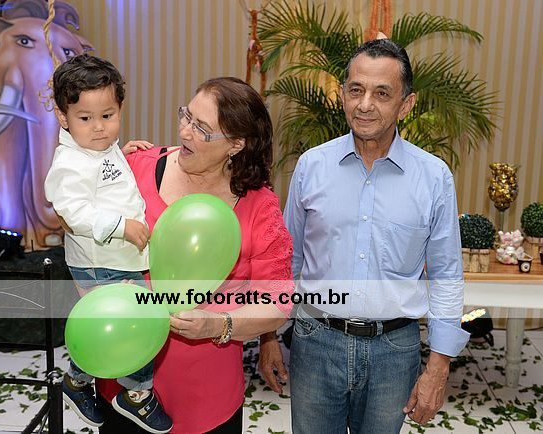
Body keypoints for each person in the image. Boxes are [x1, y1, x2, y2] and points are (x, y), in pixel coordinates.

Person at [259, 38, 470, 433]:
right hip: (316, 340)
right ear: (343, 94)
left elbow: (445, 276)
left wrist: (438, 366)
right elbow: (286, 262)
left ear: (406, 104)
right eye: (356, 90)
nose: (365, 104)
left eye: (382, 93)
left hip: (394, 350)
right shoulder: (312, 167)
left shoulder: (433, 177)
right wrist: (268, 335)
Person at [95, 76, 294, 433]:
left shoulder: (259, 206)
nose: (184, 131)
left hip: (205, 391)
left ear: (236, 144)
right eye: (186, 116)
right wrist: (101, 169)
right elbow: (76, 218)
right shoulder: (138, 167)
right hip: (123, 374)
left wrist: (219, 325)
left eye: (202, 128)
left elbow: (276, 302)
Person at [44, 54, 172, 433]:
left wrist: (123, 153)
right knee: (139, 321)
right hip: (99, 260)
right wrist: (121, 226)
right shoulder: (69, 162)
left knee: (110, 322)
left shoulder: (101, 148)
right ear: (63, 117)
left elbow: (104, 178)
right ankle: (136, 394)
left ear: (120, 109)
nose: (99, 127)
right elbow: (74, 211)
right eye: (85, 118)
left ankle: (78, 381)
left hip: (118, 258)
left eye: (108, 115)